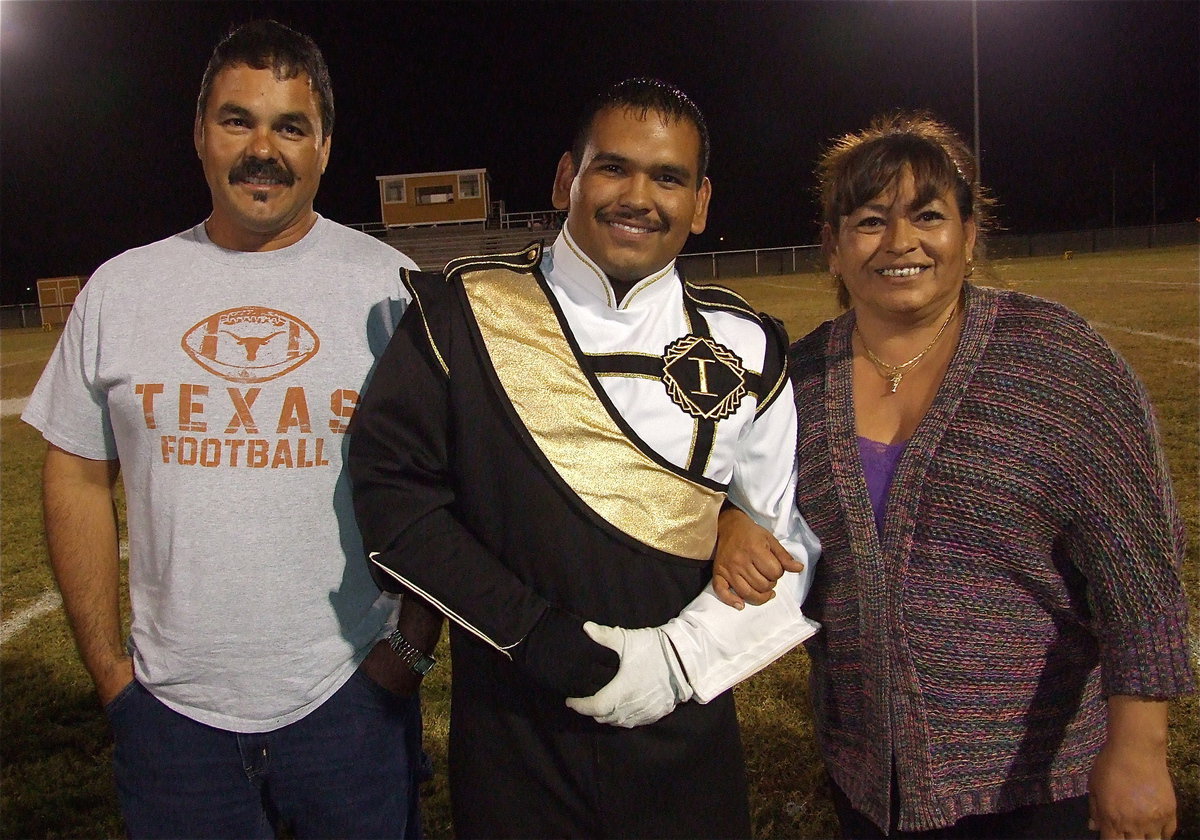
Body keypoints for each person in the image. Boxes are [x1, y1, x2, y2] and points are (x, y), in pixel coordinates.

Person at [348, 77, 821, 838]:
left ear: (699, 204)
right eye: (614, 168)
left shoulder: (751, 345)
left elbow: (779, 546)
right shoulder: (460, 314)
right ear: (568, 178)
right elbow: (395, 504)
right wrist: (542, 642)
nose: (639, 195)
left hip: (687, 738)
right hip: (512, 737)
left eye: (669, 177)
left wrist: (673, 665)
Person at [713, 112, 1195, 839]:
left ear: (969, 237)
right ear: (834, 249)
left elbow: (1139, 576)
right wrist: (732, 519)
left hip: (1038, 785)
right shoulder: (796, 380)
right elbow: (739, 490)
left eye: (928, 216)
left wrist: (1139, 751)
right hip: (868, 780)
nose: (900, 242)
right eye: (870, 221)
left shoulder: (1057, 360)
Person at [22, 20, 442, 839]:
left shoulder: (396, 291)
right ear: (199, 135)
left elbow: (446, 486)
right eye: (237, 120)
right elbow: (73, 468)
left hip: (351, 704)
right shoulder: (122, 289)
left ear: (324, 145)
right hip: (172, 720)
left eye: (290, 126)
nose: (264, 148)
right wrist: (111, 675)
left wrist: (410, 656)